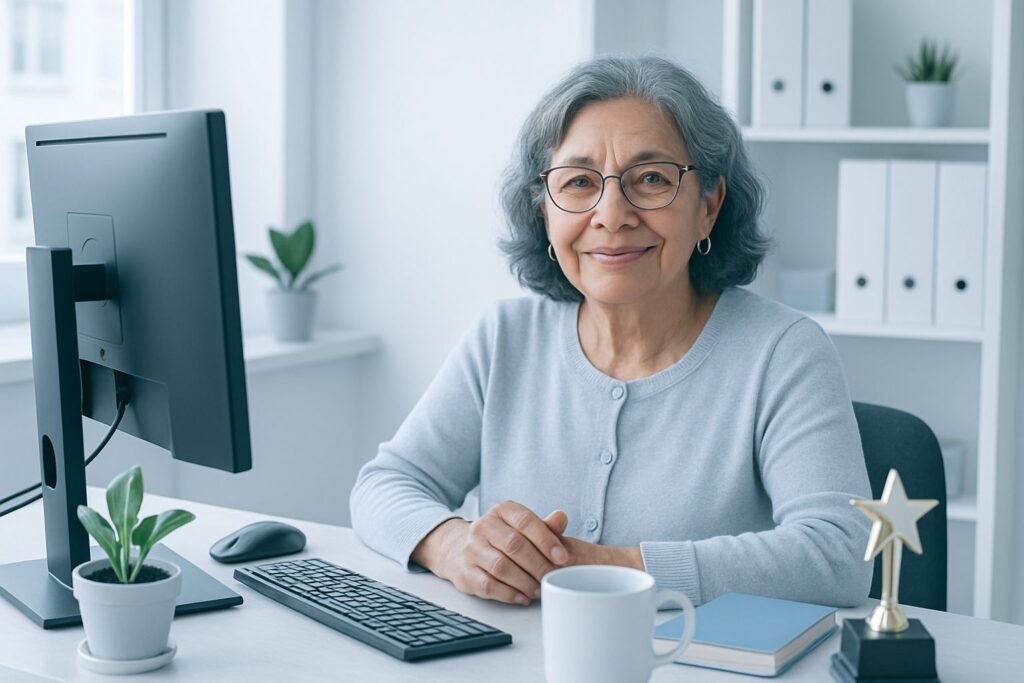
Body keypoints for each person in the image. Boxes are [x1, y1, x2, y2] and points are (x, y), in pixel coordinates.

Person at [350, 55, 872, 609]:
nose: (611, 214)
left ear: (709, 206)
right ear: (544, 210)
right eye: (578, 182)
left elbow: (838, 554)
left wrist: (609, 568)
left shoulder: (783, 351)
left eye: (651, 179)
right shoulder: (503, 338)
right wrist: (453, 545)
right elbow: (384, 486)